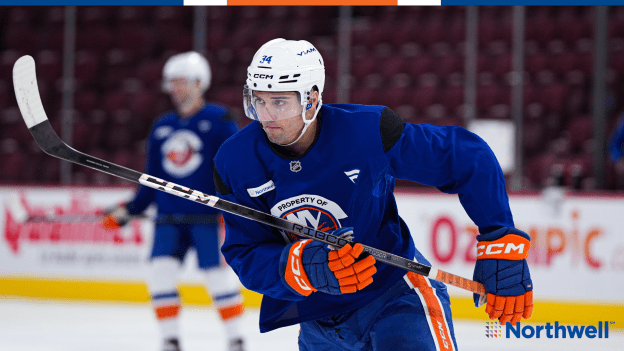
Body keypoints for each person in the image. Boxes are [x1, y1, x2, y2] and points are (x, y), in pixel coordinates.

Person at [212, 39, 534, 351]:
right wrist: (302, 266)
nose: (266, 115)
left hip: (394, 296)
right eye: (259, 100)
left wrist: (499, 237)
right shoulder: (235, 162)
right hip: (317, 321)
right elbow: (246, 251)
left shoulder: (366, 133)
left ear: (311, 99)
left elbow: (464, 156)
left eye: (279, 102)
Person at [102, 52, 245, 351]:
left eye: (181, 81)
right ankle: (170, 340)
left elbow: (235, 168)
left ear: (199, 82)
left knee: (217, 278)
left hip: (208, 218)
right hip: (168, 217)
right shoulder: (162, 125)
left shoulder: (219, 121)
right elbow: (151, 177)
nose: (175, 88)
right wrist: (130, 210)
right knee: (159, 275)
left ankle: (235, 340)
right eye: (172, 82)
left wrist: (233, 207)